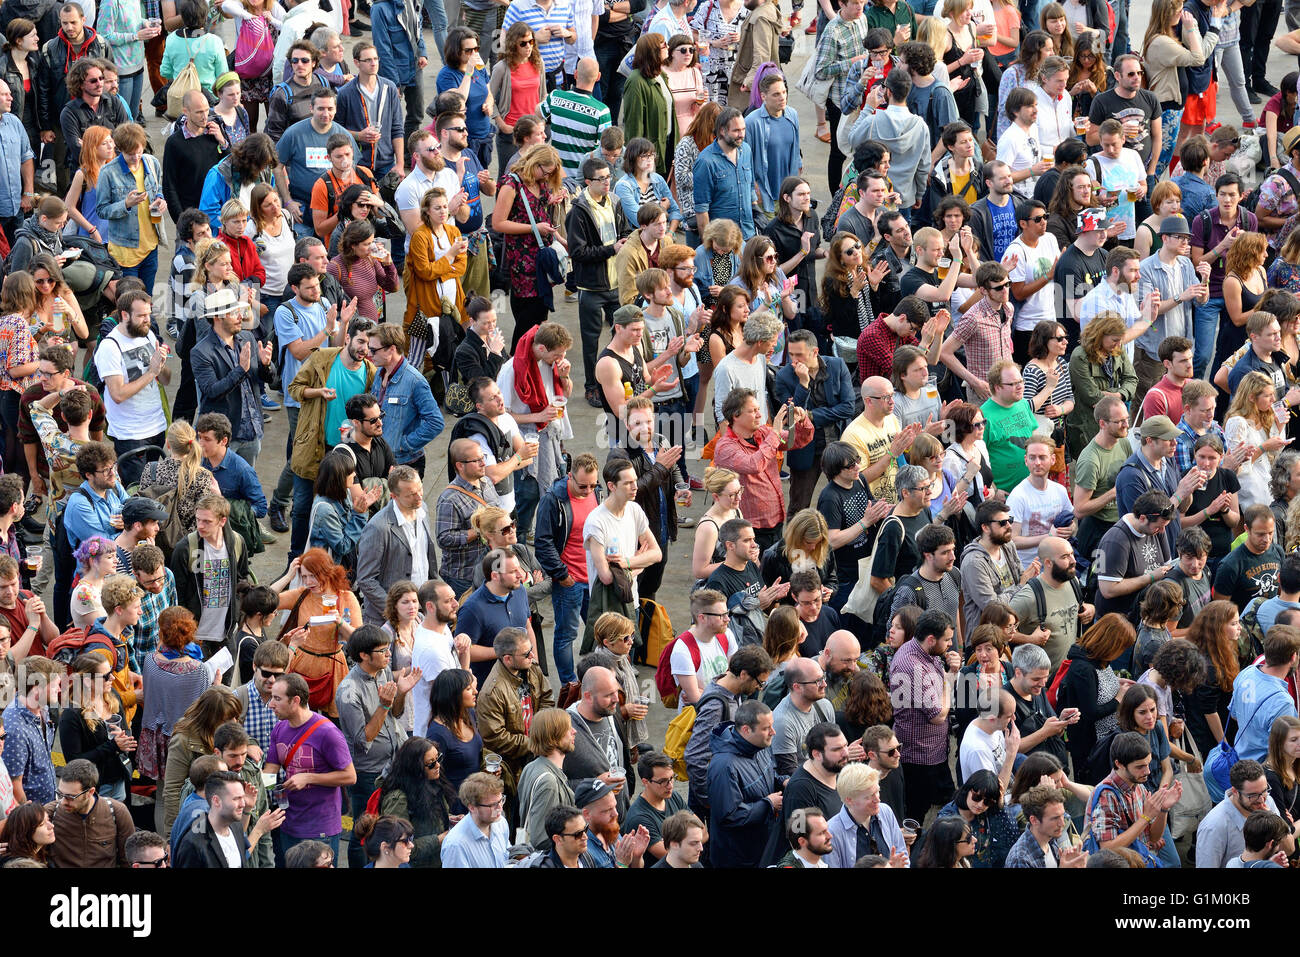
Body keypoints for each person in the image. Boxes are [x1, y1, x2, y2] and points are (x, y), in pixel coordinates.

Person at [262, 672, 356, 864]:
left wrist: (309, 778)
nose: (271, 704)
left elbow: (350, 776)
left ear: (295, 701)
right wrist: (259, 788)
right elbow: (270, 771)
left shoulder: (328, 733)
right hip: (288, 824)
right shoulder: (279, 729)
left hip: (320, 828)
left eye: (277, 699)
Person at [1197, 759, 1285, 868]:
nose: (1262, 800)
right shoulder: (1214, 826)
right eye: (1252, 795)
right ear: (1235, 791)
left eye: (1264, 791)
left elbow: (1289, 848)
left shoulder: (1268, 801)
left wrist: (1274, 821)